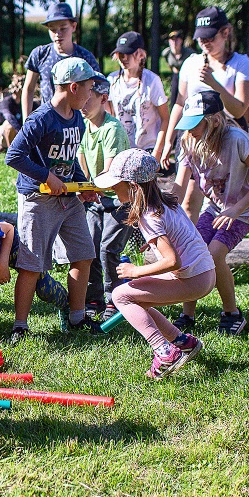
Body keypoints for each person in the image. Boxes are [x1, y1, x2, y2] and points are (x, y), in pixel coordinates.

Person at [5, 56, 103, 340]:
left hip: (68, 199)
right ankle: (20, 326)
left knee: (83, 255)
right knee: (31, 264)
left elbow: (70, 162)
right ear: (73, 87)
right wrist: (46, 177)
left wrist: (83, 185)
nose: (91, 93)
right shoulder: (41, 119)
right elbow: (14, 156)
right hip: (38, 198)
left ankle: (76, 318)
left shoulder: (78, 120)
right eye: (88, 86)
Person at [93, 149, 213, 380]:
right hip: (203, 272)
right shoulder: (165, 203)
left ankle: (165, 351)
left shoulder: (149, 215)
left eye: (116, 184)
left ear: (133, 187)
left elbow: (172, 260)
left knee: (121, 296)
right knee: (137, 298)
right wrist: (154, 245)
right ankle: (183, 342)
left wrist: (135, 271)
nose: (111, 189)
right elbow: (180, 237)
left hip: (192, 278)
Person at [171, 90, 249, 336]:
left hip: (243, 210)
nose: (191, 130)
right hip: (216, 207)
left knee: (214, 254)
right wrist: (162, 218)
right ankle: (188, 314)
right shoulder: (189, 141)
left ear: (214, 120)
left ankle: (232, 313)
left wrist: (237, 209)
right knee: (192, 251)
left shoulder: (238, 140)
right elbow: (179, 186)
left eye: (196, 123)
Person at [163, 7, 249, 220]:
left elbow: (239, 109)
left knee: (222, 199)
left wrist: (214, 84)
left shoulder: (241, 64)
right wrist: (169, 140)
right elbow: (180, 102)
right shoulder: (191, 62)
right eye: (200, 38)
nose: (205, 42)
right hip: (194, 138)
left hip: (226, 139)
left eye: (210, 37)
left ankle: (216, 244)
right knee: (188, 201)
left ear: (225, 33)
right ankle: (193, 248)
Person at [77, 75, 133, 317]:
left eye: (91, 97)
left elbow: (109, 170)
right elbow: (81, 161)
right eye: (83, 96)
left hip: (120, 200)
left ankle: (115, 299)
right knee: (89, 247)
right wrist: (84, 187)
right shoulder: (84, 126)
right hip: (96, 200)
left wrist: (91, 186)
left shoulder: (113, 129)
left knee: (108, 248)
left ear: (104, 98)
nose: (85, 102)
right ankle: (94, 298)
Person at [22, 3, 103, 120]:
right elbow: (29, 89)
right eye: (52, 29)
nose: (57, 34)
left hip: (78, 124)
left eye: (63, 28)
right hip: (48, 122)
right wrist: (27, 122)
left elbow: (97, 91)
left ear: (73, 26)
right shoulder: (40, 54)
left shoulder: (85, 57)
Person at [106, 31, 169, 160]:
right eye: (121, 54)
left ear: (140, 54)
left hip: (147, 148)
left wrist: (157, 153)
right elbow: (110, 115)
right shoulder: (112, 80)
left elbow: (165, 118)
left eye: (128, 54)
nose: (124, 59)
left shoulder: (152, 81)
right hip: (122, 149)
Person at [161, 29, 195, 107]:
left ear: (181, 41)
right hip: (175, 76)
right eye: (172, 40)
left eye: (177, 40)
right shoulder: (166, 53)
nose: (174, 42)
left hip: (187, 78)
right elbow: (169, 63)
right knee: (174, 99)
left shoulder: (189, 53)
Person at [0, 73, 23, 148]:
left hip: (19, 135)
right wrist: (21, 132)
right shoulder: (5, 103)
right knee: (9, 125)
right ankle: (11, 152)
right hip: (3, 136)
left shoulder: (26, 103)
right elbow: (9, 117)